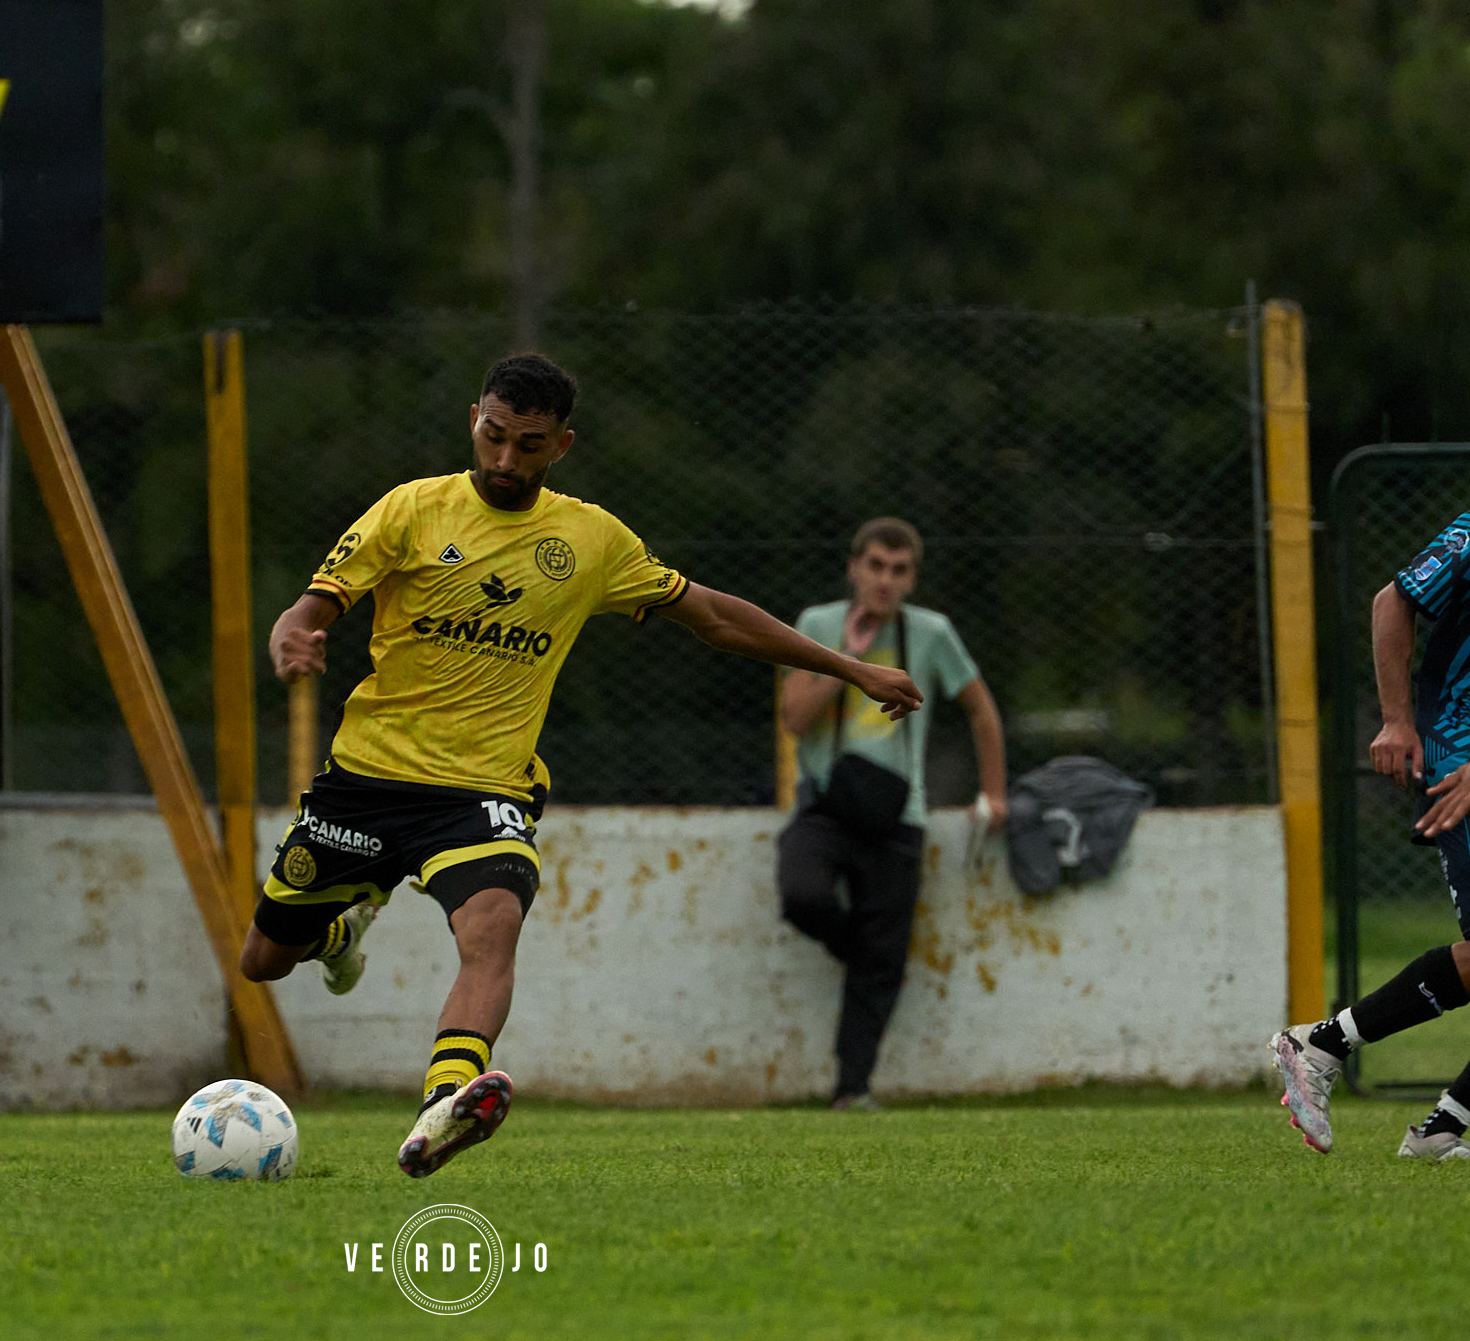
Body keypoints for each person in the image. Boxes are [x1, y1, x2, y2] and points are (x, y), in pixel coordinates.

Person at [240, 353, 922, 1177]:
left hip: (484, 788)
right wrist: (292, 630)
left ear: (560, 446)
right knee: (264, 959)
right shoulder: (412, 510)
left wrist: (848, 668)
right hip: (368, 778)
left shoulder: (590, 539)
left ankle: (444, 1102)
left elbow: (711, 616)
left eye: (528, 446)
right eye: (493, 437)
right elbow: (316, 600)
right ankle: (342, 928)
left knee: (492, 927)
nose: (504, 461)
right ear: (473, 421)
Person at [775, 518, 1008, 1110]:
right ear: (854, 568)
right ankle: (865, 953)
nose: (885, 580)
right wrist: (848, 656)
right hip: (825, 804)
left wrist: (994, 792)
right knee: (803, 895)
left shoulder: (931, 633)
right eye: (875, 566)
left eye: (899, 570)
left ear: (911, 579)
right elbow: (795, 718)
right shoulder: (817, 625)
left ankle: (852, 1090)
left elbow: (981, 710)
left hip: (898, 813)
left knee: (883, 958)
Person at [1274, 509, 1470, 1160]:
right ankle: (1328, 1047)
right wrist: (1396, 720)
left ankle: (1440, 1126)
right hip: (1457, 761)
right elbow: (1394, 600)